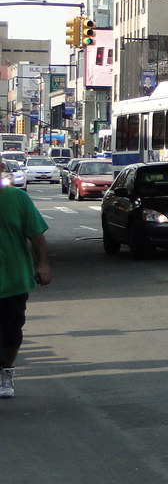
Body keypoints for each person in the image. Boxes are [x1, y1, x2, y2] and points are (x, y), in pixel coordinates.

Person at [0, 159, 51, 399]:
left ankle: (6, 372)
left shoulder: (18, 199)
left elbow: (36, 234)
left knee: (11, 333)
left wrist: (43, 264)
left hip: (13, 279)